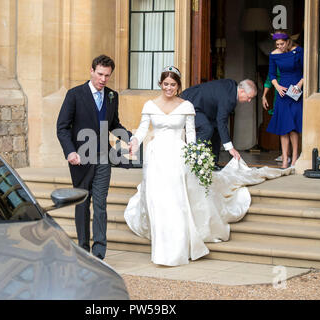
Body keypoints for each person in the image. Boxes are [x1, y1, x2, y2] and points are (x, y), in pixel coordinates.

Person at [125, 67, 292, 266]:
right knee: (157, 199)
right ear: (161, 84)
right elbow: (144, 128)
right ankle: (161, 244)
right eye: (166, 84)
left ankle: (176, 248)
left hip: (177, 154)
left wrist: (196, 155)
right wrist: (134, 142)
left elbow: (192, 134)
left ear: (178, 86)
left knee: (176, 200)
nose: (169, 87)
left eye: (173, 84)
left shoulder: (187, 105)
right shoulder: (150, 105)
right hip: (156, 156)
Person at [56, 55, 131, 260]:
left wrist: (131, 138)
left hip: (103, 158)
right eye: (100, 74)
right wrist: (70, 152)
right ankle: (82, 249)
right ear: (91, 71)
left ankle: (99, 252)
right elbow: (62, 127)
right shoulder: (74, 94)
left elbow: (114, 124)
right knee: (82, 203)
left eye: (107, 75)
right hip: (80, 158)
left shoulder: (112, 96)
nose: (103, 79)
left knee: (100, 204)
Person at [180, 79, 257, 167]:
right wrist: (230, 148)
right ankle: (194, 160)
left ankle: (213, 163)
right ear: (242, 91)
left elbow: (219, 122)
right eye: (249, 97)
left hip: (202, 107)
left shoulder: (232, 86)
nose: (249, 100)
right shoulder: (229, 97)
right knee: (206, 129)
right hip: (191, 102)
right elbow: (222, 121)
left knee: (216, 129)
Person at [266, 31, 304, 169]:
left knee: (293, 128)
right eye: (277, 44)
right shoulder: (274, 55)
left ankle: (294, 159)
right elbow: (271, 74)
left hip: (295, 91)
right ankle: (284, 159)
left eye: (282, 43)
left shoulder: (299, 51)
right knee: (283, 127)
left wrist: (299, 86)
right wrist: (277, 86)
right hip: (282, 92)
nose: (280, 46)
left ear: (288, 42)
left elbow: (307, 71)